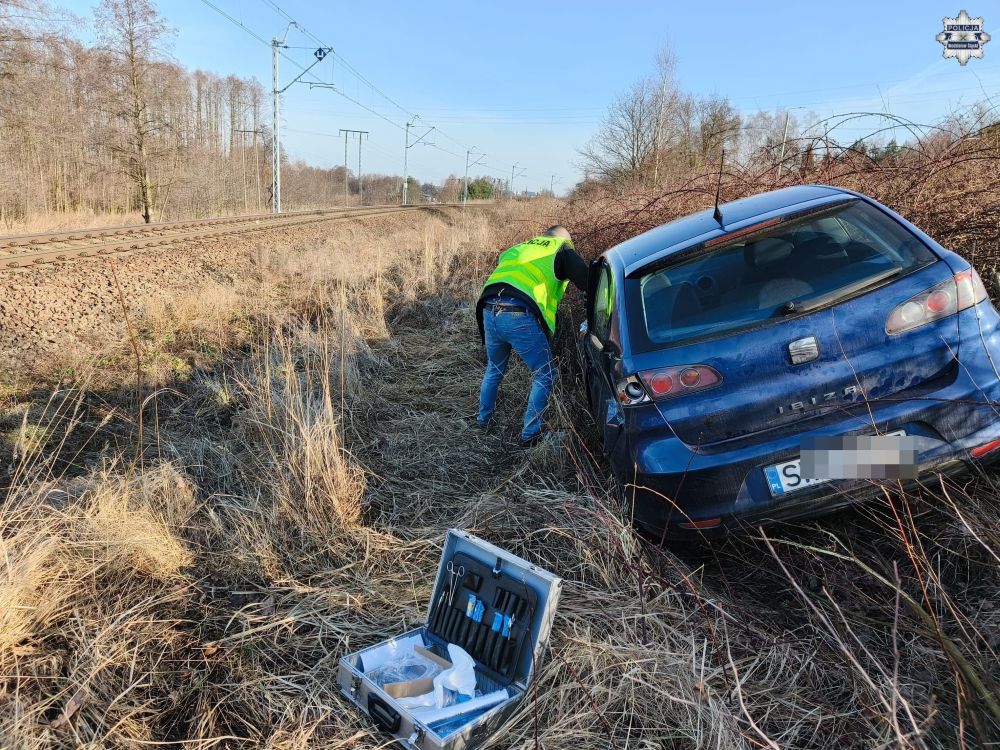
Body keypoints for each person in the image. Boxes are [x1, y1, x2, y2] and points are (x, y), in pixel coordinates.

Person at [475, 225, 588, 447]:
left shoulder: (519, 247)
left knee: (494, 369)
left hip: (488, 309)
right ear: (565, 240)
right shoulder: (561, 248)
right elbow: (587, 280)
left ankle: (483, 421)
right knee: (546, 374)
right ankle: (531, 435)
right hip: (517, 315)